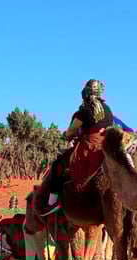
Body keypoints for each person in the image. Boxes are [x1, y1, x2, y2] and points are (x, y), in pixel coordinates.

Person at [41, 79, 114, 216]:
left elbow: (71, 130)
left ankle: (52, 203)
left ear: (85, 93)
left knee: (58, 164)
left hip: (90, 146)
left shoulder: (84, 110)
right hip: (108, 146)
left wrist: (65, 135)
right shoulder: (108, 109)